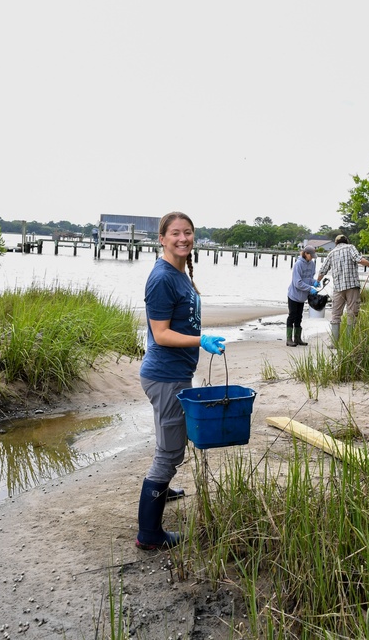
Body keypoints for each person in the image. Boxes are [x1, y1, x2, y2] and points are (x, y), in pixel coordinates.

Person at [137, 211, 226, 551]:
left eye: (188, 233)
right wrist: (200, 340)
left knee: (169, 443)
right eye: (175, 233)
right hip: (165, 377)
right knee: (170, 451)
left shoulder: (179, 273)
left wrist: (198, 339)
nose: (183, 238)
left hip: (175, 375)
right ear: (161, 238)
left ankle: (164, 488)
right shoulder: (161, 278)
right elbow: (160, 335)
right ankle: (149, 534)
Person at [316, 234, 369, 345]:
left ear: (336, 243)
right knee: (352, 313)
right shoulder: (350, 248)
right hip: (352, 286)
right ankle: (349, 343)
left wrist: (317, 281)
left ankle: (334, 343)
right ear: (346, 241)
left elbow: (322, 270)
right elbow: (359, 259)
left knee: (336, 314)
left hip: (338, 288)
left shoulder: (331, 253)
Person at [285, 245, 319, 347]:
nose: (312, 258)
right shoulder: (298, 264)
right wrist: (310, 288)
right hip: (294, 295)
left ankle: (298, 338)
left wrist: (315, 282)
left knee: (299, 317)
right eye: (310, 255)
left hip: (303, 297)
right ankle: (289, 339)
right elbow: (297, 282)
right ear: (306, 254)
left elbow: (309, 278)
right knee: (292, 316)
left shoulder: (312, 264)